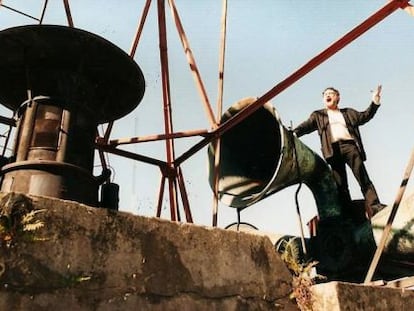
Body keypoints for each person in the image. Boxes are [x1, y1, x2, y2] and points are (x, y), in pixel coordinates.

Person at [293, 85, 383, 219]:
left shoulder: (348, 113)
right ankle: (348, 216)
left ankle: (375, 206)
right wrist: (294, 133)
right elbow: (306, 126)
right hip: (332, 151)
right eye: (325, 95)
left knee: (362, 177)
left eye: (331, 93)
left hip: (350, 147)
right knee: (341, 185)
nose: (328, 96)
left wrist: (375, 102)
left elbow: (365, 116)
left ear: (338, 97)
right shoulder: (318, 115)